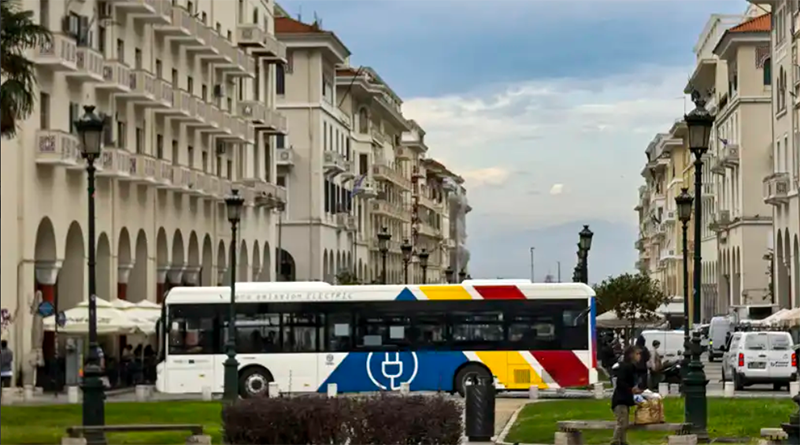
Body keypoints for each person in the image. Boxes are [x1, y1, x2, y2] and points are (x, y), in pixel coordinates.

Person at [611, 345, 642, 445]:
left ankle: (623, 441)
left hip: (624, 400)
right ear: (631, 355)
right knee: (622, 423)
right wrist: (631, 389)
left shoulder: (630, 367)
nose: (639, 356)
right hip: (620, 400)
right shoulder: (626, 367)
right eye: (637, 354)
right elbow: (621, 382)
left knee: (624, 423)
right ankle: (615, 441)